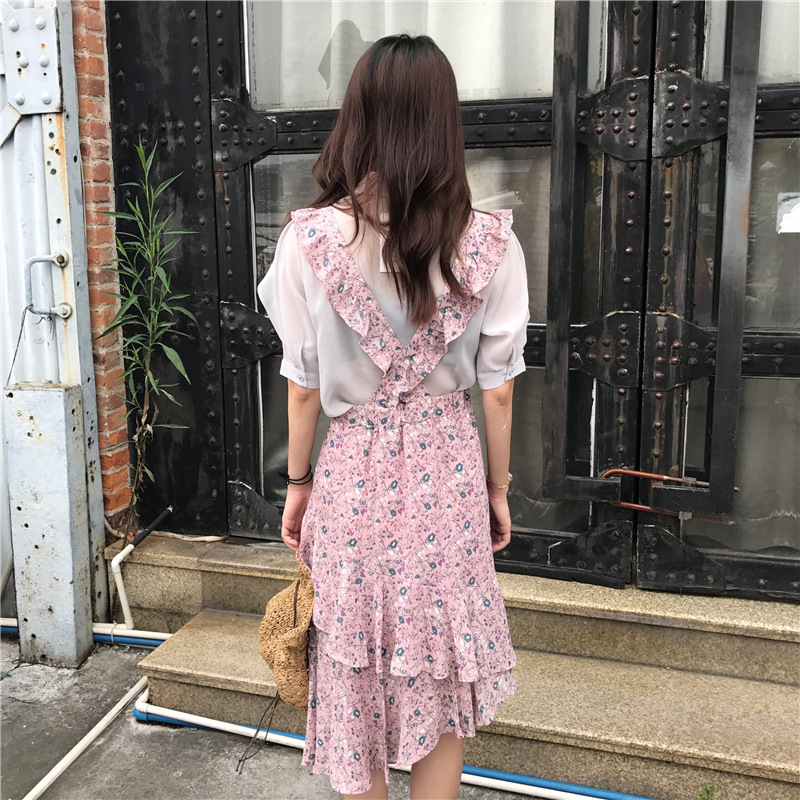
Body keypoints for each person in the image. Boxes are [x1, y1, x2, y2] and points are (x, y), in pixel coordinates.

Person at [257, 33, 529, 800]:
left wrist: (298, 483)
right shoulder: (490, 244)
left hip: (352, 477)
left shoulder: (310, 241)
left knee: (352, 669)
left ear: (358, 118)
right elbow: (498, 390)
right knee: (438, 668)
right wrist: (497, 489)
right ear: (445, 122)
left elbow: (302, 386)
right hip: (448, 478)